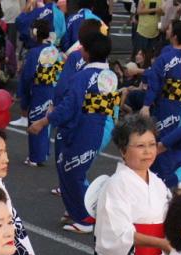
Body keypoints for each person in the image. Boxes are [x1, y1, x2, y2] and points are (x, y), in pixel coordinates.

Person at [28, 31, 119, 234]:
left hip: (81, 129)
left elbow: (69, 106)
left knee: (73, 171)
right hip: (96, 127)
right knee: (70, 169)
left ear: (86, 52)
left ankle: (85, 218)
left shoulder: (84, 76)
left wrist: (43, 122)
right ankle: (75, 210)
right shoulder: (110, 75)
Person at [93, 114, 171, 255]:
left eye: (152, 144)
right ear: (123, 150)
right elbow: (119, 233)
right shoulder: (116, 184)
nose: (148, 152)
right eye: (140, 146)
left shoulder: (157, 182)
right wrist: (162, 243)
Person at [139, 20, 181, 190]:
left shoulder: (165, 58)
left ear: (175, 36)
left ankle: (163, 183)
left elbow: (154, 83)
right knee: (179, 144)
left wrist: (146, 105)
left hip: (167, 108)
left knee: (162, 146)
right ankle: (180, 181)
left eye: (169, 28)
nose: (167, 29)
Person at [18, 19, 62, 167]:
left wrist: (23, 97)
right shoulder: (55, 51)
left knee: (36, 119)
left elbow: (27, 75)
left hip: (38, 89)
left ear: (35, 33)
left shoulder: (34, 52)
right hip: (53, 89)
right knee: (46, 120)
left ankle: (35, 156)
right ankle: (43, 153)